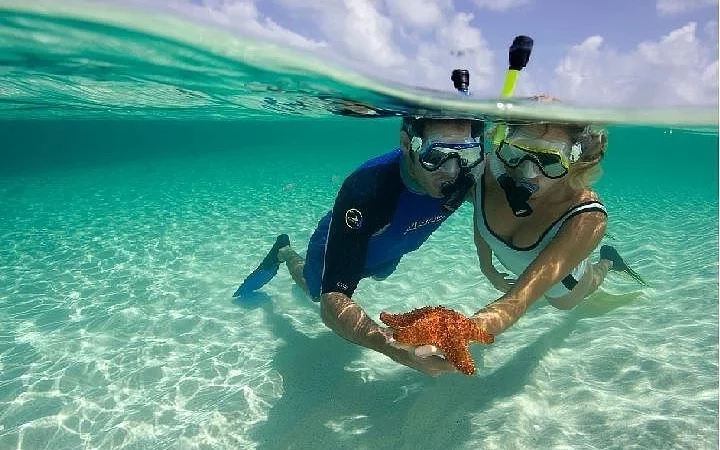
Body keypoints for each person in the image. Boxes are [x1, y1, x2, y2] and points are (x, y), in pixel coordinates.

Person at [234, 116, 486, 376]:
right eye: (438, 155)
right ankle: (284, 252)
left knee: (380, 274)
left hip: (392, 248)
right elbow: (333, 302)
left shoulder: (470, 174)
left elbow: (494, 213)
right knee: (316, 291)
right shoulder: (368, 188)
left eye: (465, 154)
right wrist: (395, 349)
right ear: (406, 143)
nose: (453, 171)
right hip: (343, 241)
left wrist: (488, 264)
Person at [468, 118, 646, 338]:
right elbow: (481, 217)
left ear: (574, 159)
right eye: (518, 152)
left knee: (584, 288)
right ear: (503, 142)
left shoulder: (587, 215)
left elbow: (518, 300)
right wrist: (487, 268)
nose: (529, 172)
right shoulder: (484, 175)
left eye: (549, 160)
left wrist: (465, 332)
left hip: (565, 287)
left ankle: (608, 262)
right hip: (526, 273)